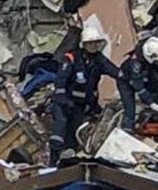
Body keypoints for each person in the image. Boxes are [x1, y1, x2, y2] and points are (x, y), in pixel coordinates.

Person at [49, 23, 119, 165]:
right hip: (65, 102)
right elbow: (61, 80)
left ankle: (67, 164)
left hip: (81, 106)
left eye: (96, 43)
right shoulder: (71, 58)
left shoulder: (99, 60)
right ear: (83, 44)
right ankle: (52, 162)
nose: (93, 46)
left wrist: (128, 77)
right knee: (59, 133)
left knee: (74, 136)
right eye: (90, 43)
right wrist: (62, 100)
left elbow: (115, 72)